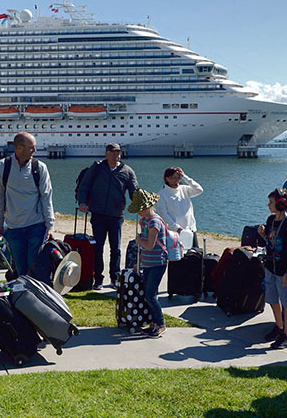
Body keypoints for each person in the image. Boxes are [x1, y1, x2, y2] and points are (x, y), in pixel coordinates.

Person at [0, 132, 55, 277]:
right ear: (19, 148)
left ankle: (36, 296)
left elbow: (47, 197)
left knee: (35, 268)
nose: (35, 150)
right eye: (32, 147)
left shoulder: (40, 168)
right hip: (13, 228)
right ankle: (24, 296)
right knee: (20, 270)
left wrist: (50, 226)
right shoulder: (2, 167)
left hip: (36, 226)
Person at [76, 143, 138, 289]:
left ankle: (115, 278)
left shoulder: (127, 171)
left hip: (117, 215)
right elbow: (85, 186)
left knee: (115, 248)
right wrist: (82, 202)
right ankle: (98, 279)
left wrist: (139, 203)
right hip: (98, 213)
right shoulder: (97, 168)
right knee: (97, 247)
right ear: (106, 154)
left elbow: (134, 191)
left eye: (118, 153)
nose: (116, 156)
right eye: (113, 153)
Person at [257, 189, 287, 349]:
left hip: (284, 270)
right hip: (271, 267)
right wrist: (262, 235)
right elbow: (271, 242)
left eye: (271, 202)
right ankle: (279, 327)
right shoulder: (270, 220)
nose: (268, 205)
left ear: (281, 204)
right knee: (273, 300)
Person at [128, 188, 167, 338]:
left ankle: (161, 324)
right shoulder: (144, 221)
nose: (139, 214)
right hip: (149, 262)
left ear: (147, 207)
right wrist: (140, 262)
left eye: (140, 210)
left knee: (150, 295)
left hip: (158, 262)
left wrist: (139, 240)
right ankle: (154, 323)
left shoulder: (154, 222)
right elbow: (146, 247)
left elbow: (149, 245)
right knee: (150, 294)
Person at [156, 166, 203, 249]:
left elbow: (199, 190)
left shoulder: (184, 189)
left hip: (190, 228)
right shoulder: (162, 194)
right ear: (167, 179)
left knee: (194, 254)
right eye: (173, 178)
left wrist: (185, 176)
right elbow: (163, 214)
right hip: (174, 231)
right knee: (177, 257)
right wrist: (176, 228)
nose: (176, 180)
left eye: (178, 178)